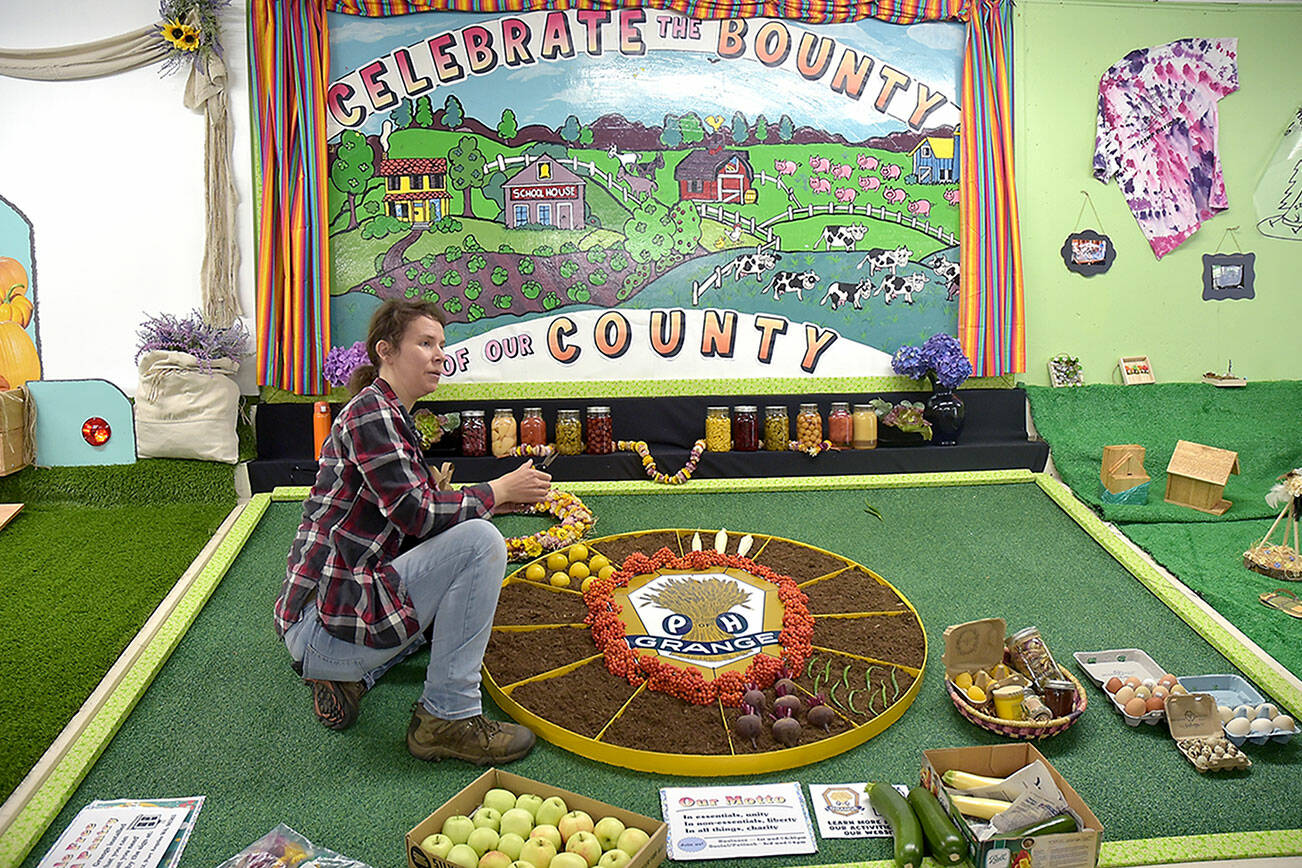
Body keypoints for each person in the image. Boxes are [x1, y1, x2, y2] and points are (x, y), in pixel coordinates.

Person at [273, 298, 552, 764]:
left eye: (441, 344)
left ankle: (351, 678)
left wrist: (493, 503)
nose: (440, 354)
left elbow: (411, 518)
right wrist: (497, 490)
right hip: (319, 629)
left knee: (467, 560)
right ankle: (448, 715)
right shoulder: (372, 415)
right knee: (481, 545)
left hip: (323, 621)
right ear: (386, 351)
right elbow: (418, 517)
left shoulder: (389, 413)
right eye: (425, 343)